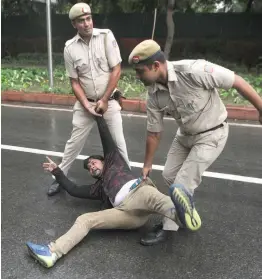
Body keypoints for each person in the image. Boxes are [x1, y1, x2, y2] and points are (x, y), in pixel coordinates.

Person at [128, 39, 262, 245]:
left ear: (155, 66)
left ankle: (169, 227)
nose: (137, 76)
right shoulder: (153, 93)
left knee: (181, 184)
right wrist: (147, 164)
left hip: (212, 134)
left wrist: (260, 108)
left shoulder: (193, 71)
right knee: (169, 175)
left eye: (140, 71)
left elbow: (237, 81)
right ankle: (185, 207)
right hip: (185, 135)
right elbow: (154, 132)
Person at [26, 116, 201, 268]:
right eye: (89, 167)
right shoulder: (98, 188)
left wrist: (98, 116)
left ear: (104, 161)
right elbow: (73, 189)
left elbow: (106, 138)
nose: (91, 166)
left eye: (93, 162)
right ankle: (52, 253)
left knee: (159, 200)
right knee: (85, 219)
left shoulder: (114, 162)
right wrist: (57, 171)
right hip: (126, 214)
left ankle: (183, 215)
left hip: (138, 191)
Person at [47, 2, 130, 196]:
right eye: (81, 21)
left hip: (108, 101)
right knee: (73, 143)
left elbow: (117, 69)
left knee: (118, 144)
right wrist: (86, 104)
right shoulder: (70, 48)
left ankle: (129, 180)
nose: (86, 23)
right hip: (85, 103)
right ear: (74, 24)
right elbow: (74, 81)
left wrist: (104, 99)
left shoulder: (105, 36)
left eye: (88, 18)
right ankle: (59, 177)